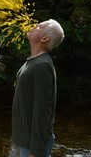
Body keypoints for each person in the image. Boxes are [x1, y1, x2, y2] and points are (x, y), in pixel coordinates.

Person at [12, 19, 65, 157]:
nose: (34, 26)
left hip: (33, 144)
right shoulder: (34, 61)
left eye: (39, 26)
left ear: (44, 38)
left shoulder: (42, 66)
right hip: (27, 140)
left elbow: (42, 111)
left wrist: (36, 151)